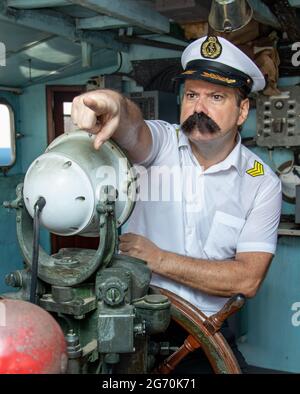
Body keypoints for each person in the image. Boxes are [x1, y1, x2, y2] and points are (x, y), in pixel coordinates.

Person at [71, 35, 282, 373]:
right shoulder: (162, 143)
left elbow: (246, 280)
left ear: (242, 110)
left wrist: (158, 259)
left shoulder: (261, 182)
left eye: (216, 97)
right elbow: (132, 127)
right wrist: (111, 101)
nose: (199, 107)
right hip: (131, 318)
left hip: (201, 332)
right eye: (192, 95)